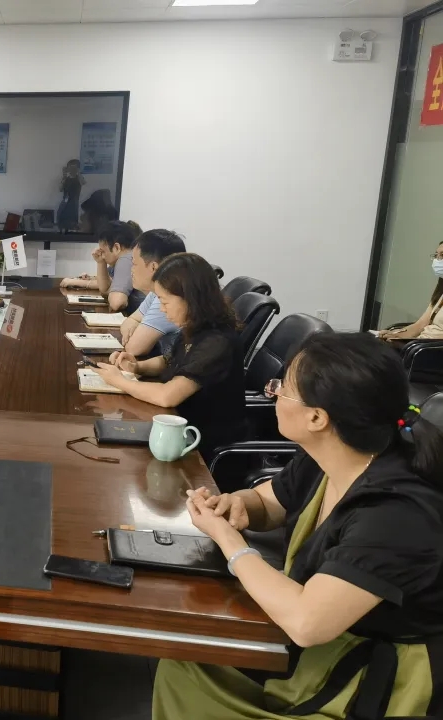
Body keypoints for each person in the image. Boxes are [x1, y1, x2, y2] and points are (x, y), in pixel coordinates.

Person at [154, 332, 443, 719]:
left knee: (187, 672)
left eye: (282, 389)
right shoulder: (332, 453)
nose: (272, 393)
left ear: (317, 417)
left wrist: (229, 540)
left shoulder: (395, 514)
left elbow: (308, 624)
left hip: (371, 682)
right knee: (185, 660)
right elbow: (270, 502)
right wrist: (237, 504)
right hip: (323, 646)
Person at [95, 253, 246, 464]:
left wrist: (119, 381)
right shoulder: (195, 325)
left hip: (202, 445)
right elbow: (169, 361)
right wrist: (137, 367)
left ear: (190, 299)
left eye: (164, 302)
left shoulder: (217, 341)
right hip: (177, 427)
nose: (162, 309)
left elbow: (168, 396)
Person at [117, 229, 188, 358]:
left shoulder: (171, 299)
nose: (131, 270)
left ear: (153, 267)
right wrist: (134, 324)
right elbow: (132, 319)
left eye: (134, 264)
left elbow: (134, 348)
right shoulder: (156, 292)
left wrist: (135, 327)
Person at [60, 221, 145, 314]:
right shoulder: (129, 257)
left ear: (117, 248)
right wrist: (101, 263)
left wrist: (113, 294)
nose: (102, 255)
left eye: (103, 251)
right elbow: (105, 290)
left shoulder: (125, 260)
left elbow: (116, 303)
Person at [378, 241, 443, 341]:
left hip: (429, 348)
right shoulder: (440, 291)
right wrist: (396, 335)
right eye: (436, 255)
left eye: (442, 255)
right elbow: (420, 325)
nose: (437, 260)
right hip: (418, 344)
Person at [57, 159, 83, 231]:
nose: (71, 169)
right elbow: (60, 189)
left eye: (73, 167)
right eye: (70, 167)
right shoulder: (66, 179)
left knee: (72, 223)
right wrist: (64, 176)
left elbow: (83, 182)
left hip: (73, 203)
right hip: (64, 202)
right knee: (61, 220)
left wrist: (78, 172)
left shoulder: (79, 178)